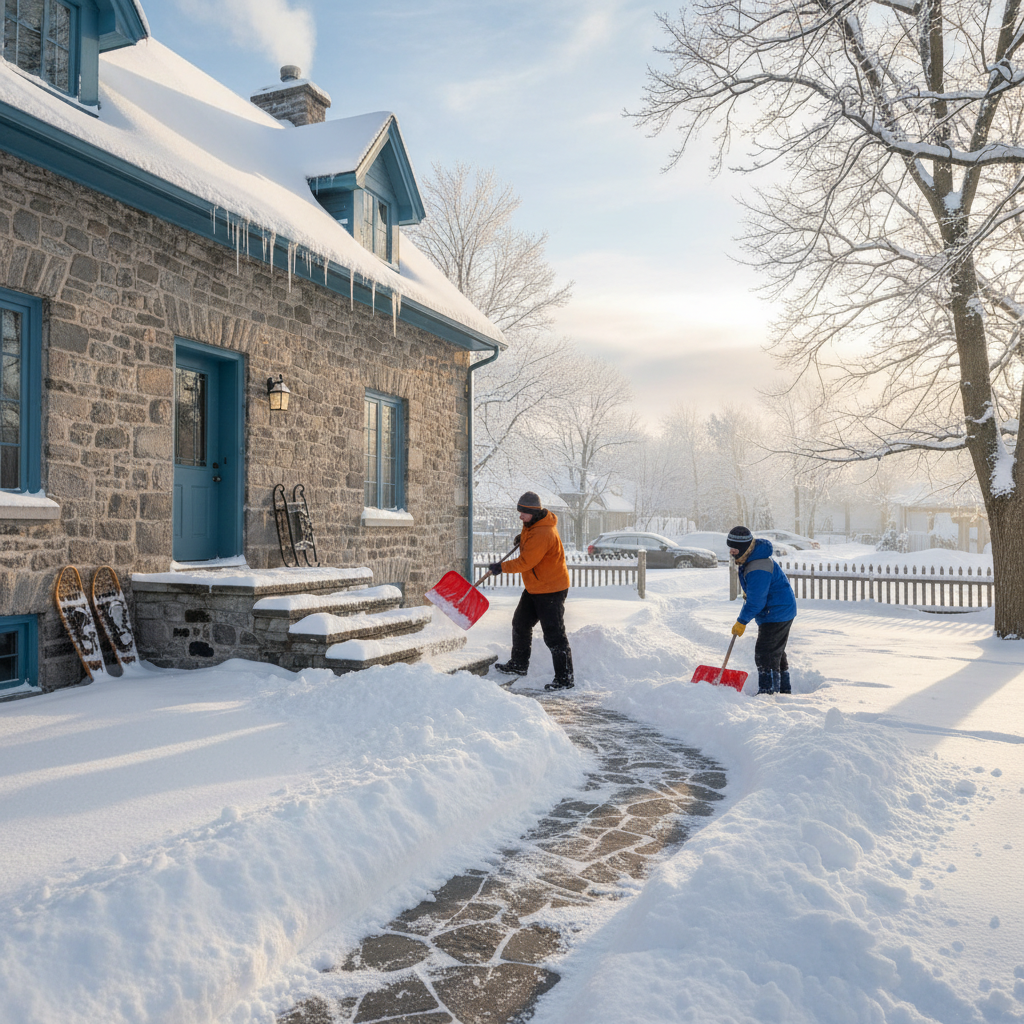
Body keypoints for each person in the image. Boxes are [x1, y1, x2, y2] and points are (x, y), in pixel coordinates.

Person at [491, 491, 574, 691]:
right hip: (536, 587)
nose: (520, 516)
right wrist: (522, 538)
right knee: (520, 623)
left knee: (554, 635)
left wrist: (501, 568)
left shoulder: (543, 532)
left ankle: (565, 679)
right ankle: (519, 664)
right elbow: (530, 540)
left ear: (533, 512)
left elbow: (526, 561)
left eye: (523, 513)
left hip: (550, 589)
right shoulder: (532, 525)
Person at [727, 525, 797, 695]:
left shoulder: (757, 566)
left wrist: (741, 621)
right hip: (779, 609)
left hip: (776, 612)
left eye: (735, 549)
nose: (731, 552)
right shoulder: (752, 558)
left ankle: (768, 692)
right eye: (730, 548)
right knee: (775, 652)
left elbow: (756, 602)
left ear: (743, 548)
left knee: (765, 653)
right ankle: (782, 689)